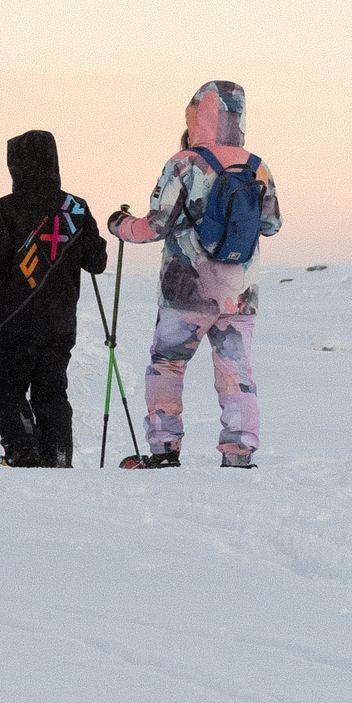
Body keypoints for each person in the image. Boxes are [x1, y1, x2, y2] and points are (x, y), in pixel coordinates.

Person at [108, 81, 282, 468]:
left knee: (167, 365)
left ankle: (165, 450)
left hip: (185, 292)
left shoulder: (183, 163)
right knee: (236, 374)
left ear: (195, 117)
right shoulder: (258, 166)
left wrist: (119, 224)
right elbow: (271, 225)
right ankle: (239, 454)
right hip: (240, 293)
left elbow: (154, 226)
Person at [0, 129, 108, 467]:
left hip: (15, 318)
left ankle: (22, 450)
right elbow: (97, 262)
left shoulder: (4, 208)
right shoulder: (75, 207)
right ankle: (57, 455)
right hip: (60, 320)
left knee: (6, 386)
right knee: (51, 391)